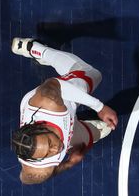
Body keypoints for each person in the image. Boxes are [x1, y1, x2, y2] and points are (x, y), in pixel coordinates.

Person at [9, 38, 118, 185]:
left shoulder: (49, 100)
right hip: (66, 124)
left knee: (93, 74)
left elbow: (54, 83)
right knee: (90, 137)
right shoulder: (32, 158)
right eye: (47, 154)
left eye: (49, 142)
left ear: (40, 128)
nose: (56, 149)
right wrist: (68, 164)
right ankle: (87, 129)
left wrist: (100, 107)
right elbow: (26, 179)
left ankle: (38, 50)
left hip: (63, 96)